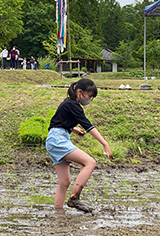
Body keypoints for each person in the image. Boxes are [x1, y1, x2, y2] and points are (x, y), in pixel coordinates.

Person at [45, 78, 112, 213]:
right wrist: (104, 143)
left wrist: (72, 128)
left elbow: (57, 122)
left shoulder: (67, 103)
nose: (89, 100)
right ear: (80, 92)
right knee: (90, 162)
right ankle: (74, 197)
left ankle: (58, 214)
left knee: (64, 182)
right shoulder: (73, 105)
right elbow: (88, 125)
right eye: (89, 96)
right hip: (58, 140)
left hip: (54, 139)